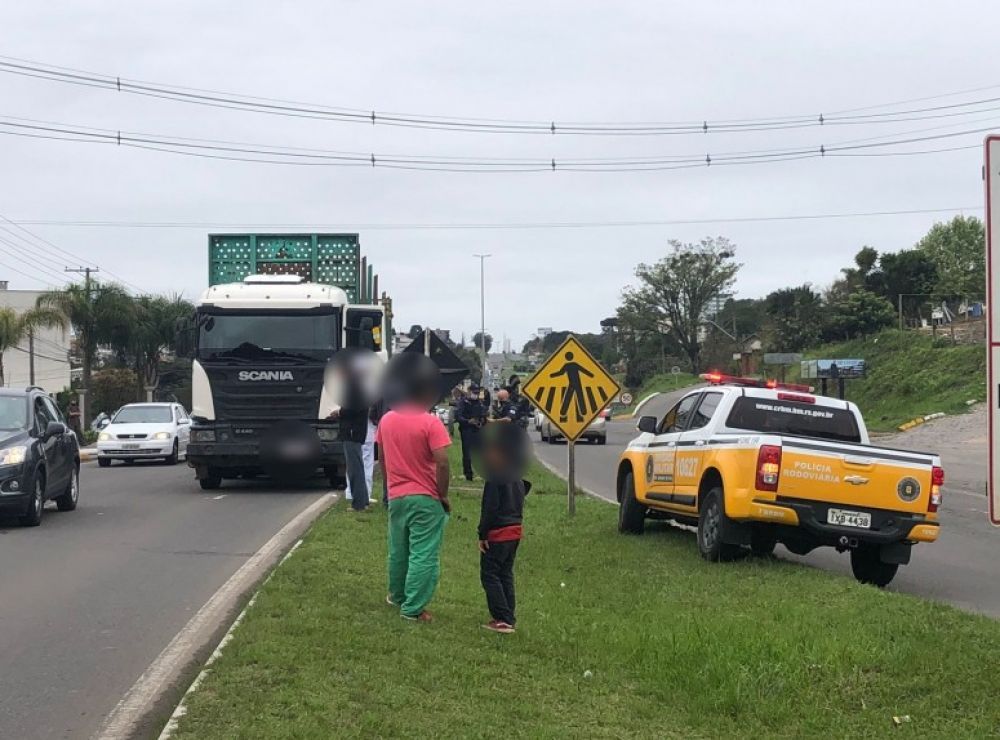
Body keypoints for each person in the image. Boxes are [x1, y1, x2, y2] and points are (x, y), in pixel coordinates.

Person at [377, 355, 452, 622]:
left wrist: (389, 488)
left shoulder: (386, 421)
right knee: (423, 552)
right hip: (425, 496)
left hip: (397, 495)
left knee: (398, 549)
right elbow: (442, 462)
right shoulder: (431, 423)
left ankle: (396, 595)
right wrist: (442, 494)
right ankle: (413, 608)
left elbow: (383, 459)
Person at [478, 422, 531, 634]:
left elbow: (490, 507)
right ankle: (509, 615)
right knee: (505, 573)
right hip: (515, 529)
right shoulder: (516, 475)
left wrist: (482, 533)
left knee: (490, 574)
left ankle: (501, 617)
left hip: (498, 531)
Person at [455, 383, 488, 481]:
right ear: (469, 391)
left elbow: (484, 416)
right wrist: (468, 421)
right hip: (466, 430)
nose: (476, 394)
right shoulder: (463, 402)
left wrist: (481, 421)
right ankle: (468, 474)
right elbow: (458, 417)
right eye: (474, 392)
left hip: (478, 429)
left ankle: (482, 474)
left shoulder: (480, 403)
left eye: (477, 393)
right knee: (467, 453)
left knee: (481, 453)